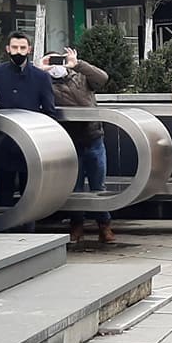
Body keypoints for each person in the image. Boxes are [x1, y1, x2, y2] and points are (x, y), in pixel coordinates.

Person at [41, 47, 113, 245]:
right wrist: (40, 70)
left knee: (99, 185)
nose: (57, 66)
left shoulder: (81, 76)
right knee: (75, 186)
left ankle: (104, 225)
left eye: (60, 61)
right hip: (68, 142)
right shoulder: (44, 82)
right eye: (52, 62)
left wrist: (77, 64)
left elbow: (102, 78)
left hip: (93, 137)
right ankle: (77, 225)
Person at [0, 31, 58, 222]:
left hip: (32, 146)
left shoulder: (41, 77)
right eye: (15, 47)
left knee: (31, 194)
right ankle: (7, 232)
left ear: (29, 50)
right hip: (4, 143)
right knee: (5, 193)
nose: (18, 51)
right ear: (7, 49)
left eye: (22, 48)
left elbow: (50, 111)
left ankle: (29, 230)